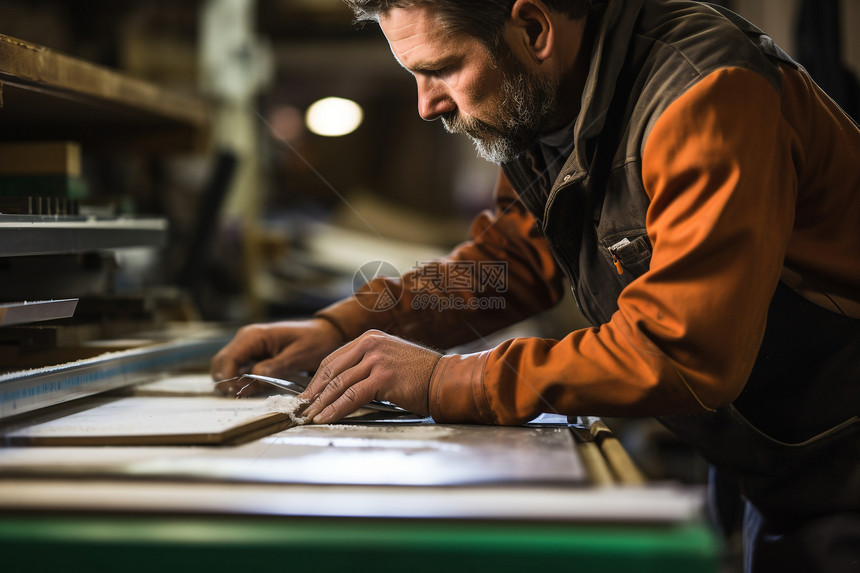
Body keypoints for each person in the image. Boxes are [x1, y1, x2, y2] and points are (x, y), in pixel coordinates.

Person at [211, 1, 860, 570]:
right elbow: (510, 262)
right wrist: (339, 328)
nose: (426, 103)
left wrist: (445, 381)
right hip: (765, 446)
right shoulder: (546, 101)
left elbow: (682, 350)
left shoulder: (705, 95)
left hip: (841, 467)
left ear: (532, 27)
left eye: (440, 69)